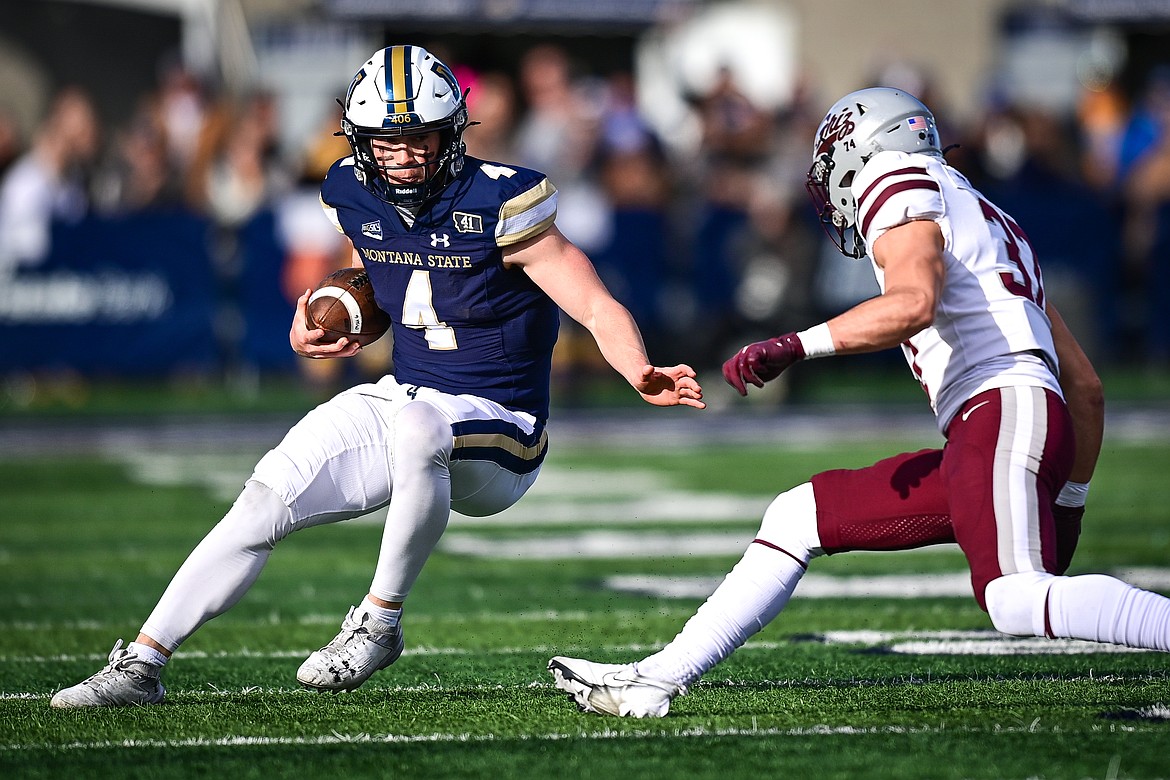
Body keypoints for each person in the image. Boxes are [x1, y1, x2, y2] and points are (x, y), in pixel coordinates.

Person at [50, 45, 704, 709]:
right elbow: (377, 283)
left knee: (421, 428)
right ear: (362, 141)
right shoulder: (350, 192)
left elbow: (592, 301)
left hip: (502, 428)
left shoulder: (500, 199)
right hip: (406, 395)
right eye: (388, 141)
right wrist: (315, 320)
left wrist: (637, 367)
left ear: (451, 134)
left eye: (419, 138)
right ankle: (141, 663)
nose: (405, 155)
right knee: (265, 497)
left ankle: (379, 622)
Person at [548, 87, 1170, 718]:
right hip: (1012, 421)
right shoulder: (987, 220)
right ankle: (657, 680)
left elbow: (911, 304)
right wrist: (1068, 499)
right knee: (795, 518)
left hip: (1000, 412)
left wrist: (795, 344)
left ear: (860, 151)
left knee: (1014, 598)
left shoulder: (896, 180)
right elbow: (1085, 389)